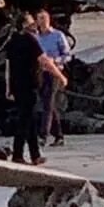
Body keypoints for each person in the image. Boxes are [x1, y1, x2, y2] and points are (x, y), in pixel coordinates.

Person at [3, 16, 45, 165]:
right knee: (24, 121)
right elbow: (43, 60)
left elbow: (8, 67)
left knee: (30, 120)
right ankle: (17, 154)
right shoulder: (30, 40)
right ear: (25, 25)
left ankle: (35, 155)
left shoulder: (12, 41)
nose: (34, 24)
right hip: (29, 86)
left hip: (17, 86)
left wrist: (8, 88)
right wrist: (60, 76)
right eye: (31, 21)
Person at [34, 10, 72, 148]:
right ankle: (59, 136)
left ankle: (43, 136)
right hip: (40, 73)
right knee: (48, 104)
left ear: (49, 19)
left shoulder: (57, 35)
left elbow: (67, 55)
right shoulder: (36, 37)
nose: (42, 21)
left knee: (48, 104)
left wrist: (54, 60)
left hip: (54, 73)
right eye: (39, 18)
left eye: (44, 18)